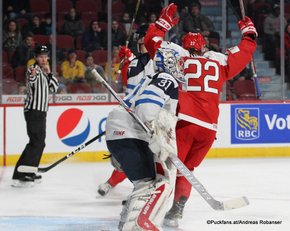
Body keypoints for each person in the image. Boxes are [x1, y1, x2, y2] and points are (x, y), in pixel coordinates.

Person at [144, 3, 257, 227]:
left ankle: (149, 208)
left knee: (166, 167)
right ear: (204, 47)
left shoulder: (178, 58)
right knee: (188, 168)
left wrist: (161, 24)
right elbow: (245, 52)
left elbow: (151, 43)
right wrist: (249, 35)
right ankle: (176, 212)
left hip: (185, 123)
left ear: (185, 46)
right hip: (208, 129)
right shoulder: (219, 61)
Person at [105, 47, 185, 230]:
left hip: (120, 131)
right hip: (131, 132)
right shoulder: (167, 78)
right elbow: (146, 109)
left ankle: (126, 225)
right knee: (152, 185)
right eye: (179, 63)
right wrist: (154, 133)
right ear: (170, 64)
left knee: (143, 184)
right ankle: (141, 225)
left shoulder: (148, 79)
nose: (181, 68)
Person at [97, 24, 156, 196]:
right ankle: (114, 184)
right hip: (135, 113)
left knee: (150, 157)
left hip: (152, 114)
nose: (141, 45)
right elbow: (130, 86)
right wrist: (126, 64)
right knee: (130, 154)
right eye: (139, 42)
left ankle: (148, 191)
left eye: (144, 42)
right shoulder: (137, 62)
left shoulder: (158, 60)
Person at [12, 45, 59, 187]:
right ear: (36, 57)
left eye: (45, 56)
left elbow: (55, 88)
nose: (43, 59)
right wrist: (33, 73)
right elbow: (32, 79)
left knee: (40, 142)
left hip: (41, 111)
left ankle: (30, 170)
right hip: (33, 111)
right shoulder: (34, 69)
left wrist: (50, 73)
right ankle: (20, 174)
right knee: (35, 142)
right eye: (40, 56)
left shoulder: (45, 72)